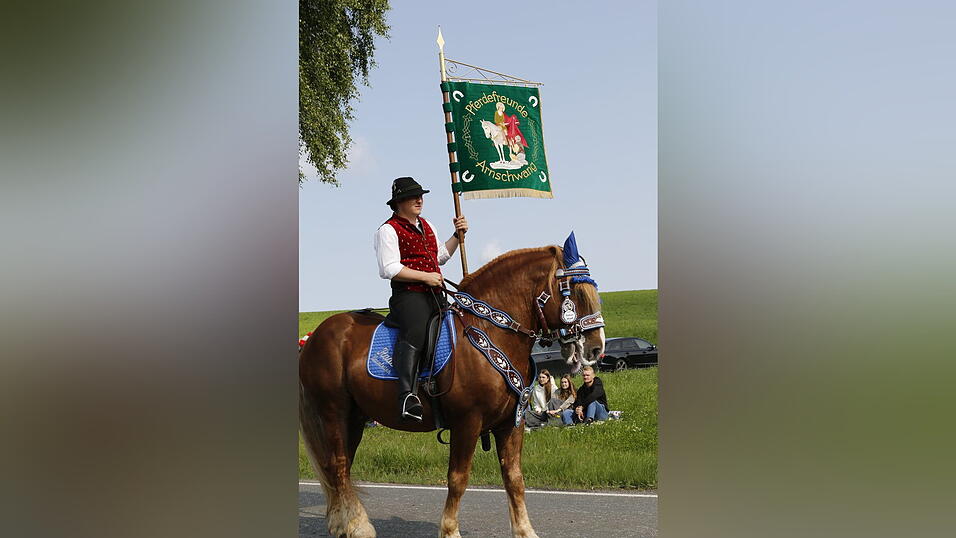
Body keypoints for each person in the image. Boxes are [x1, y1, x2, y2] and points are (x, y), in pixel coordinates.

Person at [374, 177, 468, 421]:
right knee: (416, 331)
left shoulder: (427, 225)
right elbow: (389, 268)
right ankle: (406, 395)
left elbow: (442, 255)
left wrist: (457, 236)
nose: (419, 200)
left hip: (435, 294)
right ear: (398, 203)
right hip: (409, 296)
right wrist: (425, 277)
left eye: (421, 196)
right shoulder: (388, 230)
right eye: (412, 197)